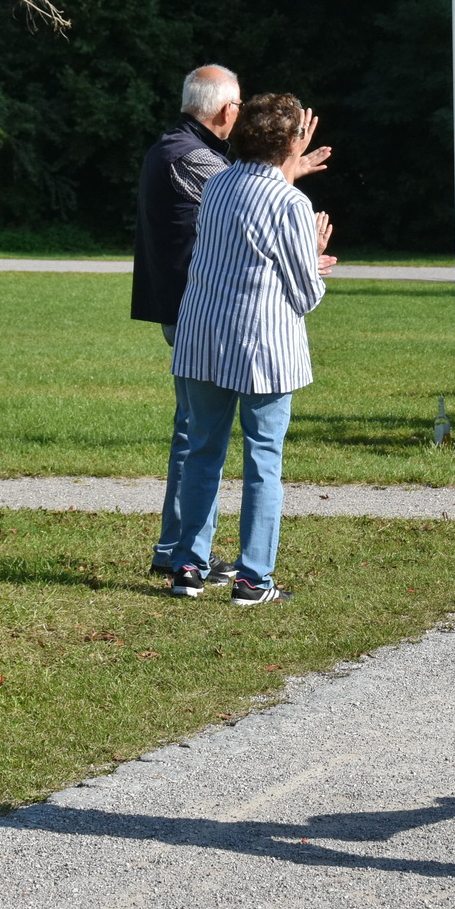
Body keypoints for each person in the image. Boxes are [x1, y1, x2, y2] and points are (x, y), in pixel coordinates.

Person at [167, 93, 337, 604]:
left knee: (202, 454)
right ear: (291, 142)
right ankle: (252, 578)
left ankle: (187, 568)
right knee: (263, 460)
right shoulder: (290, 203)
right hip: (262, 347)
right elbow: (305, 294)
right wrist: (314, 256)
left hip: (201, 336)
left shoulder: (217, 184)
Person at [130, 65, 243, 590]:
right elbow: (247, 204)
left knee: (192, 430)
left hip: (183, 309)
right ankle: (184, 553)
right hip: (195, 311)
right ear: (222, 109)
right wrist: (288, 169)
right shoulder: (190, 156)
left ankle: (174, 548)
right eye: (238, 104)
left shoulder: (174, 147)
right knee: (200, 435)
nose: (240, 114)